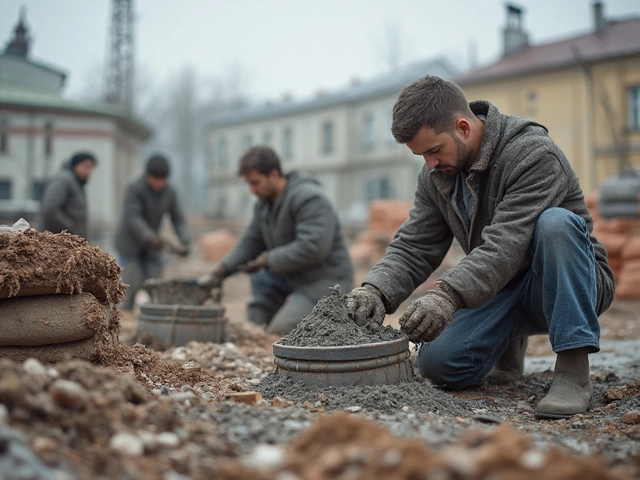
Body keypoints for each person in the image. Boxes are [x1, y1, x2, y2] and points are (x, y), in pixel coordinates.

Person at [345, 75, 615, 420]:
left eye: (433, 150)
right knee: (440, 364)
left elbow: (507, 242)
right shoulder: (436, 176)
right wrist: (376, 290)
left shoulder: (532, 154)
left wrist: (447, 295)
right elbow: (415, 243)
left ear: (463, 127)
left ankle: (574, 368)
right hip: (504, 286)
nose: (429, 163)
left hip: (570, 284)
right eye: (420, 155)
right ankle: (509, 340)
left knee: (556, 224)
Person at [200, 146, 353, 335]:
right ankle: (257, 327)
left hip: (324, 282)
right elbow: (250, 242)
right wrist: (221, 271)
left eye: (255, 183)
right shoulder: (264, 205)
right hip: (293, 276)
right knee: (261, 280)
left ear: (273, 174)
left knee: (283, 329)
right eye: (249, 184)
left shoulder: (309, 198)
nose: (252, 190)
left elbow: (313, 247)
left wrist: (268, 260)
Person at [115, 154, 190, 310]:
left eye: (162, 179)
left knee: (156, 283)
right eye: (155, 179)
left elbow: (178, 218)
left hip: (153, 247)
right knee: (131, 284)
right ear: (147, 176)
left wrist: (184, 239)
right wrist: (150, 237)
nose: (159, 183)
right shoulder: (134, 188)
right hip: (131, 244)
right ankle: (123, 317)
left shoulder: (170, 192)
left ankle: (155, 317)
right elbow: (132, 218)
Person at [39, 152, 97, 238]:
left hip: (67, 239)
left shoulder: (76, 182)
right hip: (55, 240)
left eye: (91, 168)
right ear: (76, 165)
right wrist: (72, 228)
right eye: (85, 166)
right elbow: (50, 211)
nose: (88, 171)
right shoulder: (63, 180)